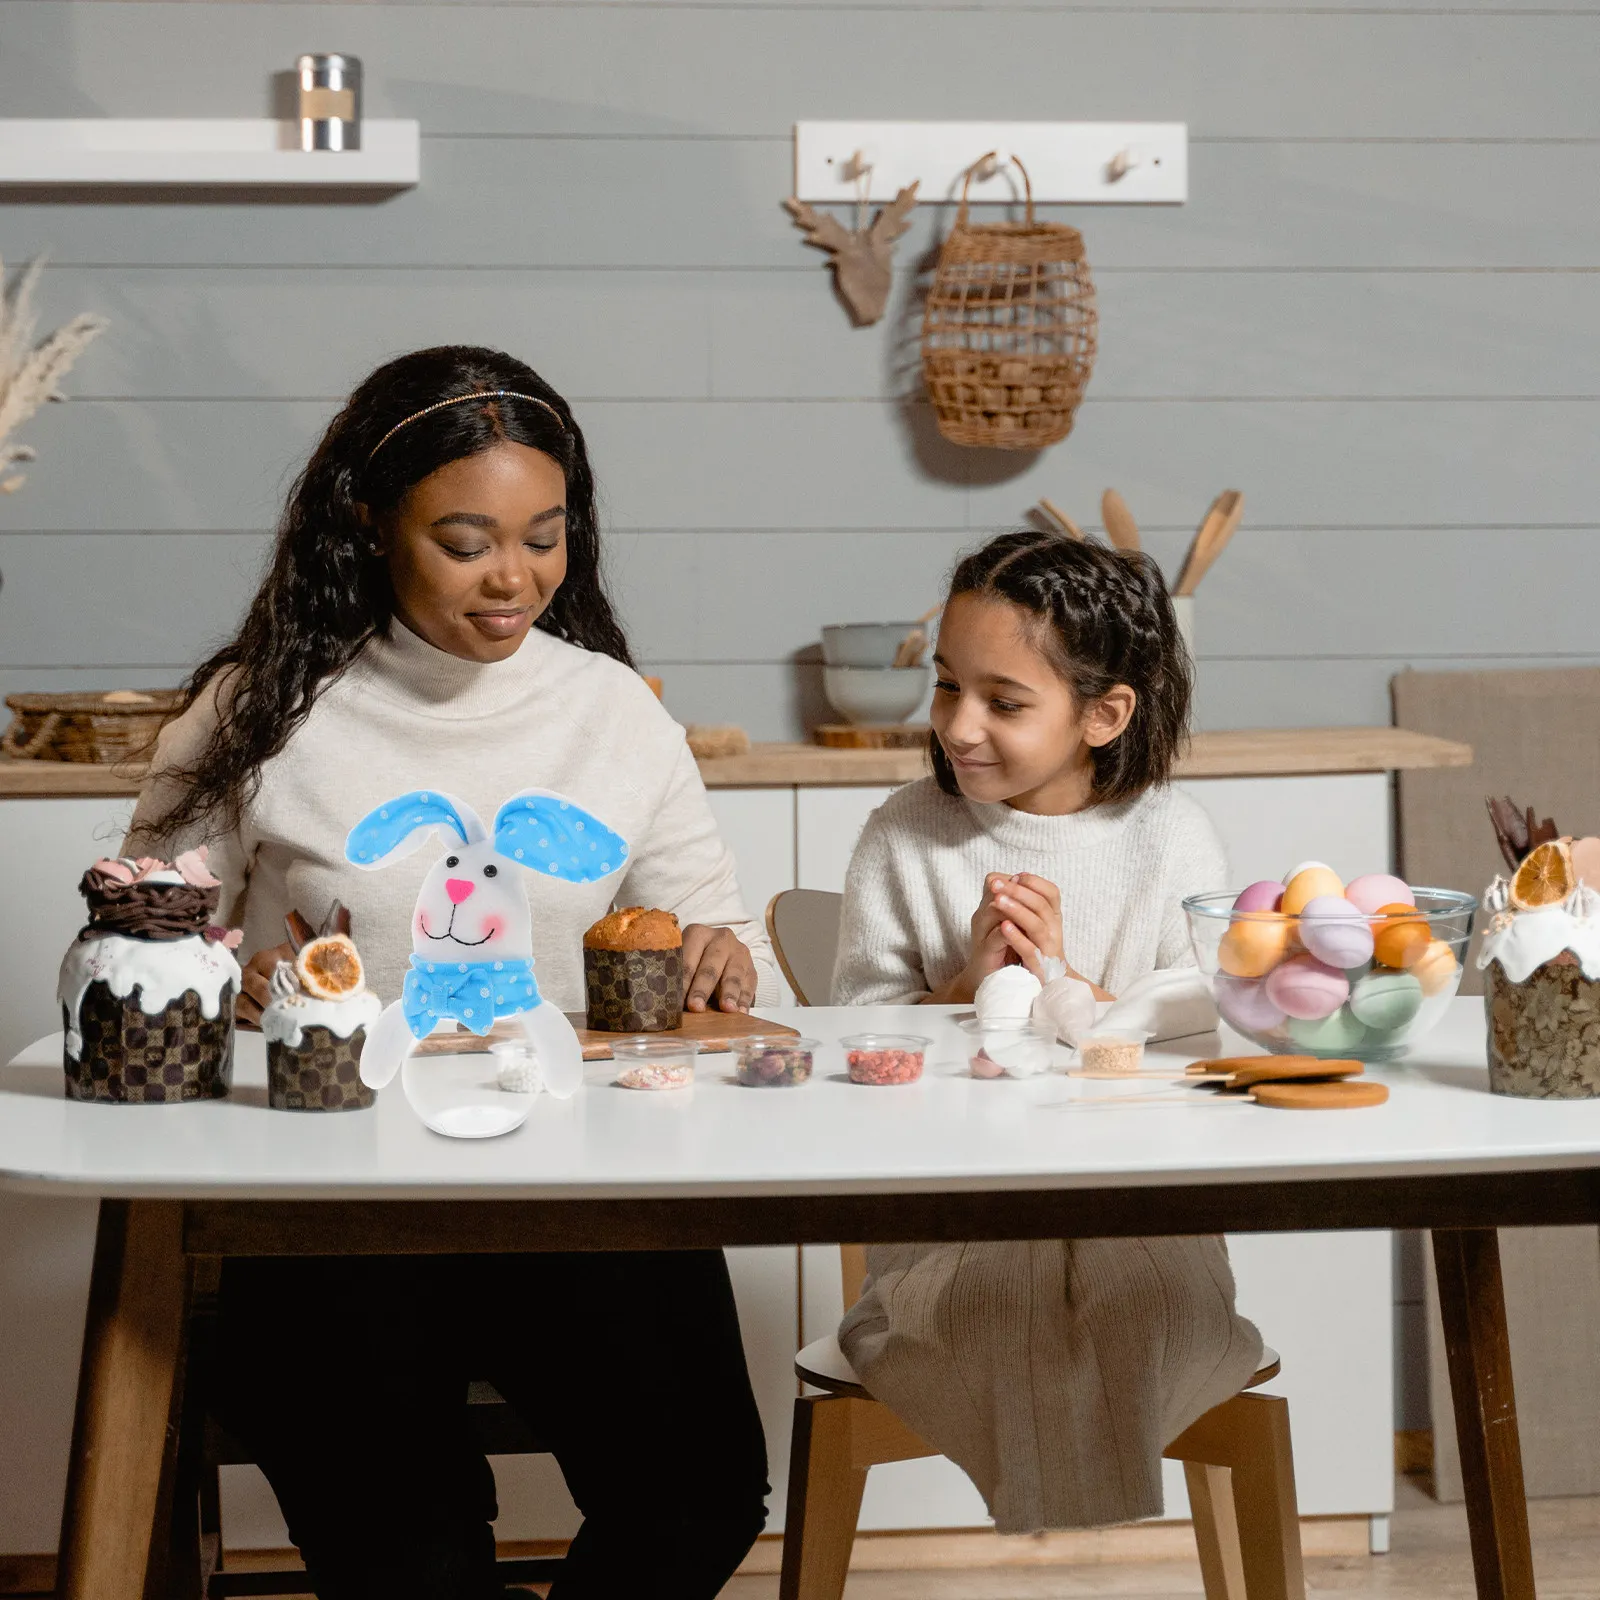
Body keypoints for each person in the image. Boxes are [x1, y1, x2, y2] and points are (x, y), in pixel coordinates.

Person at [127, 346, 771, 1598]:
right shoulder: (257, 709)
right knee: (405, 1550)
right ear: (369, 524)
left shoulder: (614, 710)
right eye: (467, 540)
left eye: (546, 536)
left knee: (699, 1493)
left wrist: (713, 955)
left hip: (582, 1193)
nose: (514, 578)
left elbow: (707, 932)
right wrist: (222, 973)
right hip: (332, 1204)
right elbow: (137, 939)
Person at [830, 529, 1262, 1533]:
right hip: (949, 1224)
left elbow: (1206, 1052)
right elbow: (852, 1050)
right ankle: (1074, 1537)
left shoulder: (1170, 835)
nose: (959, 726)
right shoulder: (905, 833)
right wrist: (960, 989)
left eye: (1004, 701)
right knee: (1003, 1302)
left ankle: (1066, 1533)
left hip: (1143, 1218)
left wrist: (1070, 982)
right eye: (946, 687)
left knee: (1130, 1299)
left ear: (1104, 713)